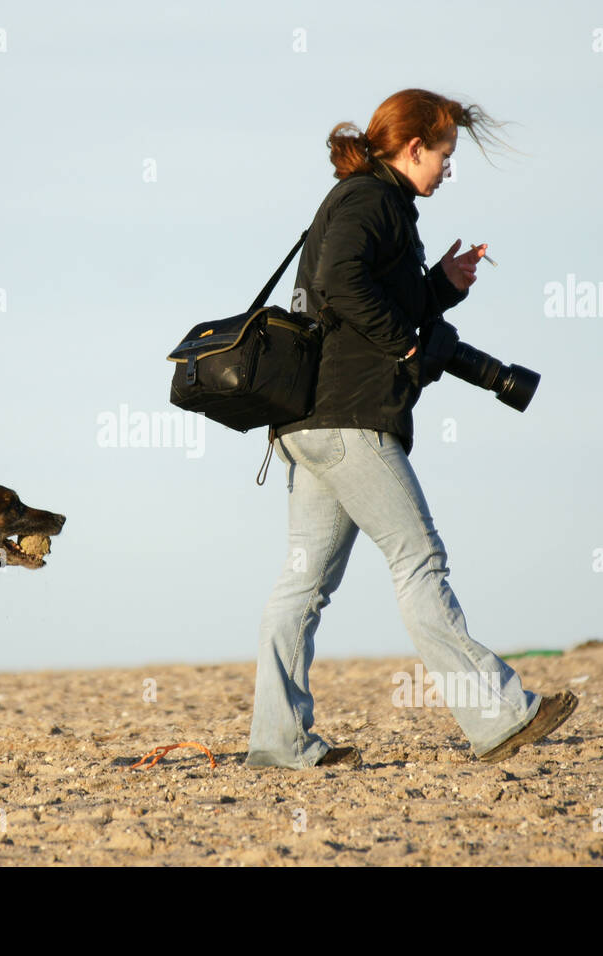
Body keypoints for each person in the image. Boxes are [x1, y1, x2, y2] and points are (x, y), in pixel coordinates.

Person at [246, 89, 576, 768]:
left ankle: (278, 745)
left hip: (309, 423)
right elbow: (341, 283)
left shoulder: (366, 199)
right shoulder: (373, 200)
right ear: (414, 146)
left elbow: (359, 294)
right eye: (445, 155)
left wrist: (441, 286)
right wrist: (405, 343)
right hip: (351, 419)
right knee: (418, 560)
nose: (448, 171)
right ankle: (500, 715)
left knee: (302, 585)